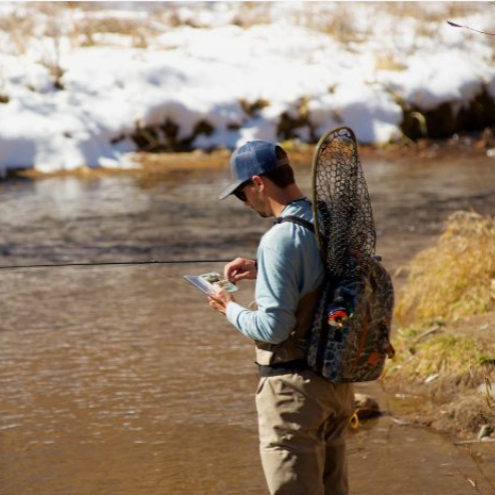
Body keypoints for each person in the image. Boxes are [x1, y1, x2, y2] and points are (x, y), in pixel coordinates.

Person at [208, 140, 355, 495]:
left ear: (258, 182)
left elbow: (273, 329)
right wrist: (264, 271)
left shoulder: (278, 239)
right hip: (337, 384)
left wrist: (229, 307)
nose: (245, 204)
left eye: (242, 194)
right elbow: (322, 282)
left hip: (294, 396)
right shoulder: (326, 218)